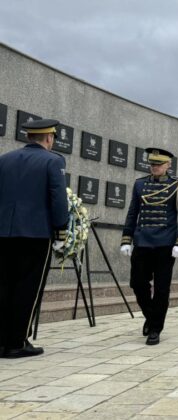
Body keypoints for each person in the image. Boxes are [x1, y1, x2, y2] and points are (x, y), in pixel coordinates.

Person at [0, 119, 68, 358]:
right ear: (49, 138)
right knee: (27, 287)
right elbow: (58, 199)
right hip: (35, 234)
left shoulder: (4, 159)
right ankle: (17, 342)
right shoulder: (54, 160)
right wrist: (61, 230)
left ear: (30, 137)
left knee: (4, 285)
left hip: (4, 234)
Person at [120, 147, 178, 346]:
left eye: (159, 164)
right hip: (142, 242)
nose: (154, 167)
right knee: (137, 283)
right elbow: (132, 213)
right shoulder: (139, 184)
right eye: (152, 164)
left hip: (165, 245)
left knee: (161, 289)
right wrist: (126, 239)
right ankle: (151, 316)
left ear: (168, 165)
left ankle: (155, 328)